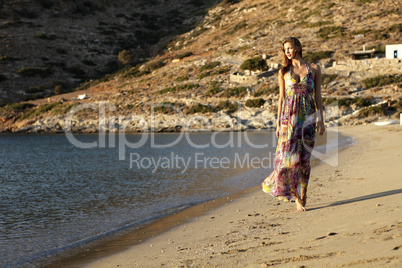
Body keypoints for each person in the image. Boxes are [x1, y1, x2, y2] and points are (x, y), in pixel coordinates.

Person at [262, 37, 325, 212]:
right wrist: (277, 124)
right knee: (289, 159)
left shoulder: (314, 69)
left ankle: (304, 193)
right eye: (285, 49)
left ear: (297, 47)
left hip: (308, 119)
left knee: (304, 160)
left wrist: (321, 120)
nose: (287, 52)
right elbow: (281, 99)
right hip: (288, 121)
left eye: (289, 48)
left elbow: (318, 96)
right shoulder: (284, 71)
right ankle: (296, 196)